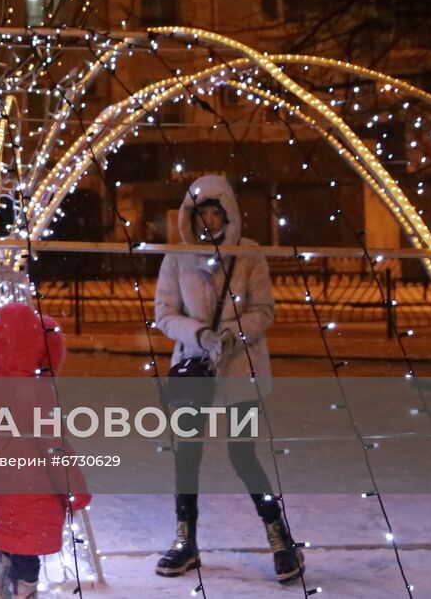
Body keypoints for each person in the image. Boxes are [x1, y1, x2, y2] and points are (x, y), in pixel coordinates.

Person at [152, 174, 304, 583]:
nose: (208, 221)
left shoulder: (249, 254)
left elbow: (265, 310)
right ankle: (185, 541)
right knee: (187, 455)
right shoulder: (177, 257)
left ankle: (280, 538)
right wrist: (198, 334)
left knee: (243, 454)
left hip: (240, 372)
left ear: (229, 213)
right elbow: (164, 313)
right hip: (193, 371)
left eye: (215, 212)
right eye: (200, 213)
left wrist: (233, 334)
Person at [0, 302, 90, 599]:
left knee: (8, 535)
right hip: (33, 490)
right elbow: (55, 447)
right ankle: (24, 591)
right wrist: (75, 487)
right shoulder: (37, 393)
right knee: (26, 545)